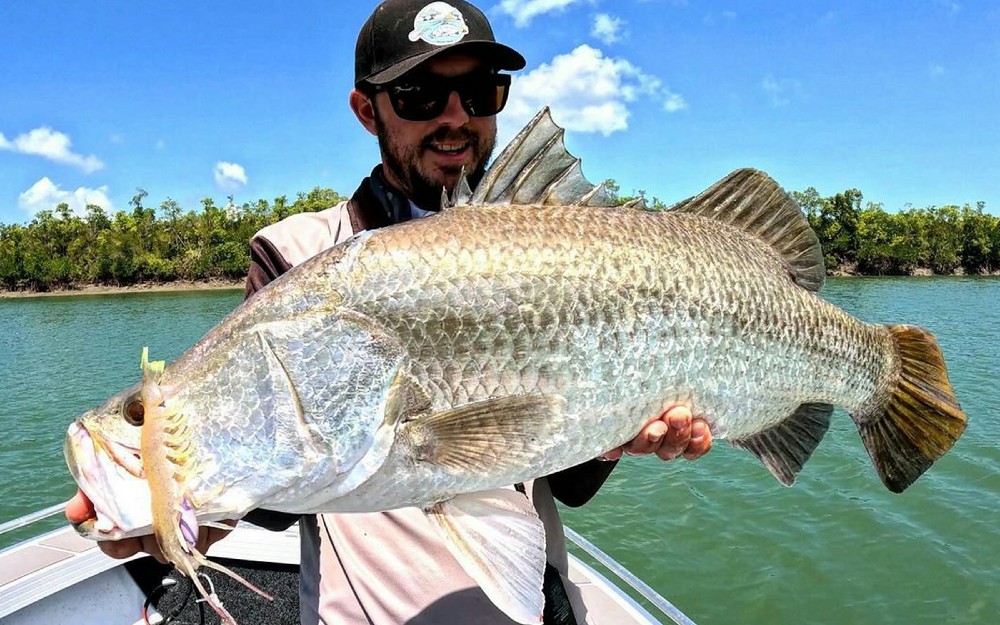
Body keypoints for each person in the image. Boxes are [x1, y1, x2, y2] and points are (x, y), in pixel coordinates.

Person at [65, 1, 713, 623]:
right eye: (419, 95)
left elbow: (564, 484)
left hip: (535, 602)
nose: (455, 116)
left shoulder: (564, 241)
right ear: (366, 109)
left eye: (481, 90)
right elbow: (286, 475)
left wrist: (616, 429)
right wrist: (204, 508)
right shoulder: (294, 256)